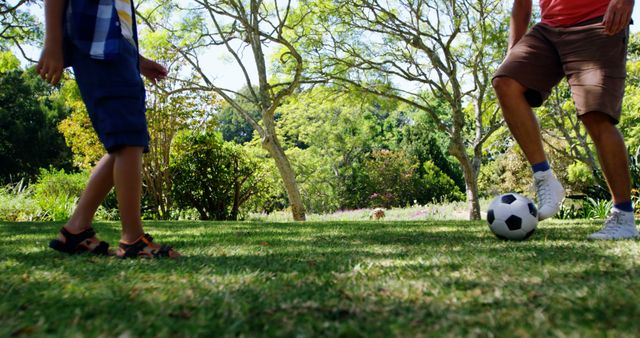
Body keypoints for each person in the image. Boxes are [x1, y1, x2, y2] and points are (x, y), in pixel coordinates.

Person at [37, 0, 180, 257]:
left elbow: (116, 21)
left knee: (127, 141)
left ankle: (76, 231)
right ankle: (133, 239)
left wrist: (138, 59)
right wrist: (53, 43)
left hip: (117, 49)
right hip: (96, 49)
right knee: (127, 139)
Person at [492, 0, 638, 239]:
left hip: (598, 21)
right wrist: (512, 53)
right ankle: (544, 177)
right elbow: (522, 4)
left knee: (596, 115)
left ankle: (623, 217)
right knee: (505, 81)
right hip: (549, 28)